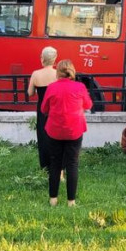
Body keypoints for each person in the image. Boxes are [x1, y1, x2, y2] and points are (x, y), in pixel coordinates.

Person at [40, 59, 92, 207]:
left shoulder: (51, 87)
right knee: (72, 164)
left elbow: (44, 109)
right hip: (74, 129)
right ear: (72, 72)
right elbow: (88, 104)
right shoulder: (80, 87)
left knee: (55, 163)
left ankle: (53, 199)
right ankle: (71, 202)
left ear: (58, 72)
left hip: (55, 130)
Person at [28, 46, 58, 170]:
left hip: (42, 109)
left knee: (43, 135)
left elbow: (30, 93)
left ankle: (45, 165)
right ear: (55, 59)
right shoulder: (58, 74)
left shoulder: (36, 74)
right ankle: (58, 166)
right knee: (57, 136)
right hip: (56, 108)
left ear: (42, 58)